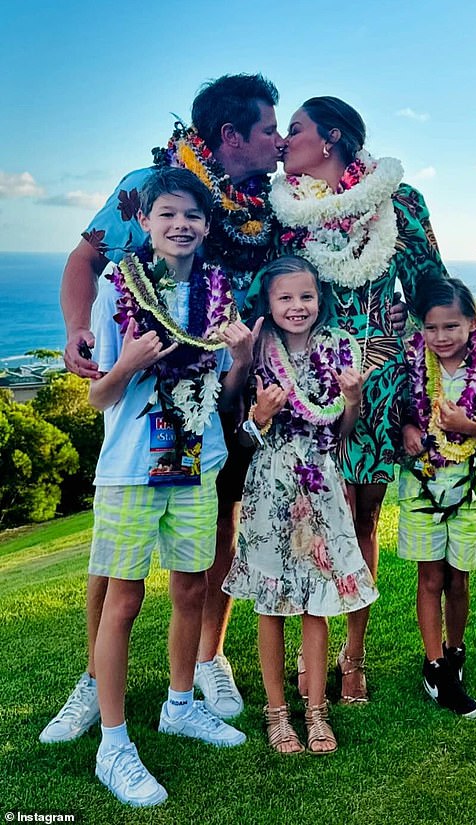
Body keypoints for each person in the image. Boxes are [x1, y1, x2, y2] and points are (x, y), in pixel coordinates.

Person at [41, 74, 285, 745]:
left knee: (218, 526)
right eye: (270, 129)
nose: (281, 140)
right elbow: (86, 257)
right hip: (143, 409)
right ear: (231, 137)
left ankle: (204, 665)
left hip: (226, 396)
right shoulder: (146, 187)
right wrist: (75, 331)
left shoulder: (276, 201)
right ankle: (94, 681)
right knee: (115, 563)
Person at [260, 96, 448, 702]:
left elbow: (431, 283)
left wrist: (410, 322)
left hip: (378, 377)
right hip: (309, 378)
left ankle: (354, 656)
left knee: (362, 514)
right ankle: (304, 654)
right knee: (307, 512)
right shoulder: (286, 210)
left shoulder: (399, 201)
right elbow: (270, 289)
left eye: (295, 130)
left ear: (332, 137)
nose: (285, 141)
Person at [83, 168, 258, 806]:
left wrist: (239, 360)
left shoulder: (219, 295)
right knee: (123, 601)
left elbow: (227, 399)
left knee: (191, 587)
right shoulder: (117, 287)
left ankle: (180, 704)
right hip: (131, 466)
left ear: (207, 227)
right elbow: (99, 393)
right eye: (167, 214)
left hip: (196, 459)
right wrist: (127, 363)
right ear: (147, 224)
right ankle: (113, 743)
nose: (181, 225)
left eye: (192, 216)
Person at [222, 256, 378, 754]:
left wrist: (352, 399)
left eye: (306, 297)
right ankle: (276, 712)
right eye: (285, 297)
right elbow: (240, 434)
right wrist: (260, 413)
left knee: (317, 600)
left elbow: (342, 431)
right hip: (270, 488)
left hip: (322, 488)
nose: (297, 306)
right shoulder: (256, 348)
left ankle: (316, 711)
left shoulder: (338, 348)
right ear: (268, 302)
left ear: (320, 300)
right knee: (272, 605)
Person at [398, 278, 476, 718]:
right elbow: (399, 415)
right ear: (421, 329)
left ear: (472, 322)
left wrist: (469, 427)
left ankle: (455, 649)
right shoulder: (411, 363)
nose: (441, 337)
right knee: (430, 578)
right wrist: (409, 429)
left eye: (451, 326)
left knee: (459, 579)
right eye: (431, 328)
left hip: (470, 492)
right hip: (421, 488)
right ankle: (435, 666)